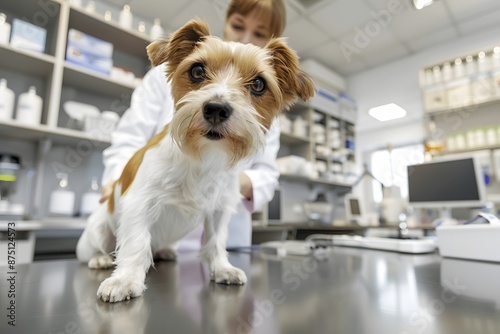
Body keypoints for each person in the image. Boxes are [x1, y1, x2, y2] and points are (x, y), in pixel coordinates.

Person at [99, 0, 286, 248]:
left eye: (260, 33)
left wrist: (220, 178)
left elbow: (266, 175)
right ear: (227, 21)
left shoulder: (268, 102)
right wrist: (118, 181)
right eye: (238, 26)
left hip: (225, 236)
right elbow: (130, 139)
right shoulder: (169, 72)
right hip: (153, 225)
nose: (245, 39)